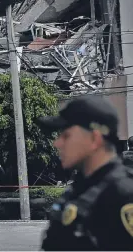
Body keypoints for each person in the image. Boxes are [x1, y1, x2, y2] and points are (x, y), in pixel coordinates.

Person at [38, 95, 133, 250]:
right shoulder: (76, 191)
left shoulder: (124, 195)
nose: (57, 143)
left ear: (95, 139)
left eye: (66, 135)